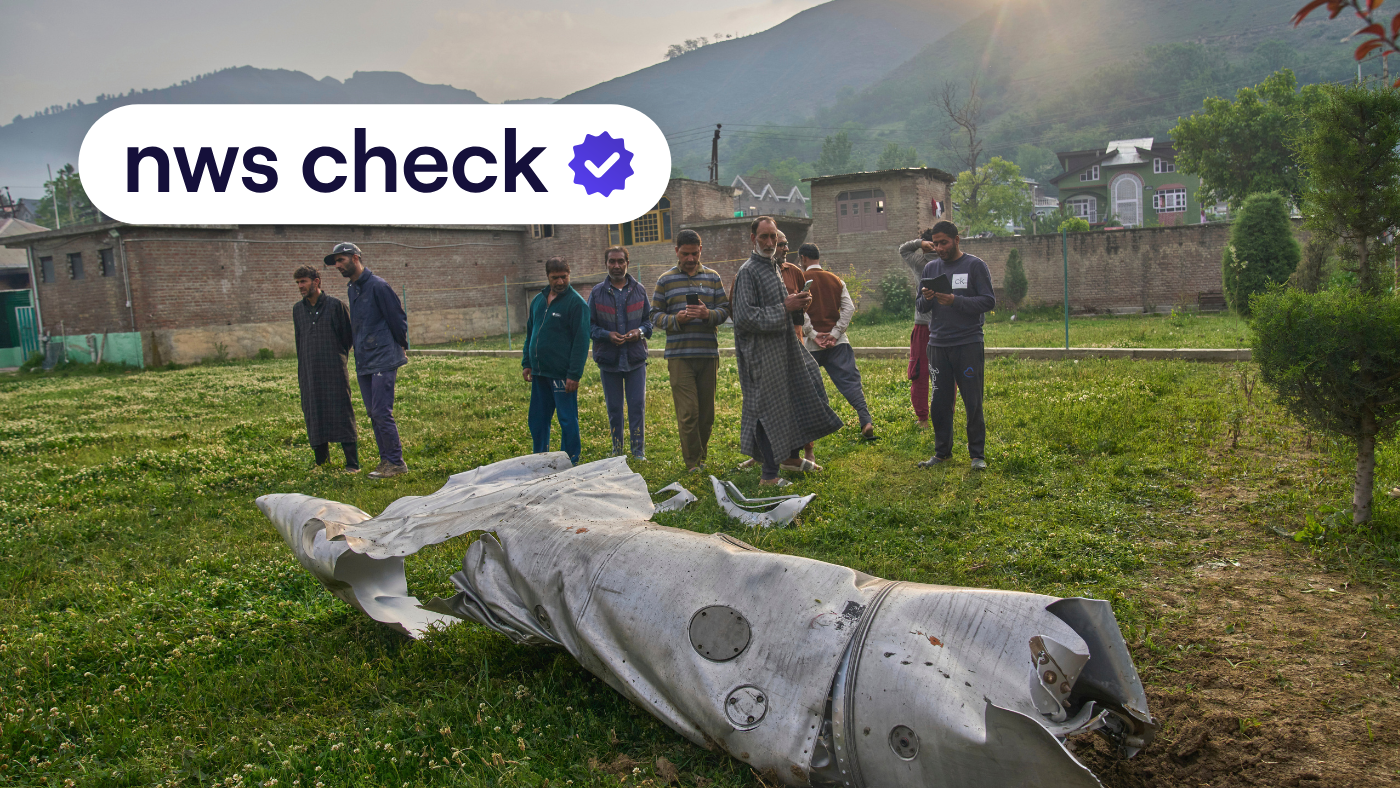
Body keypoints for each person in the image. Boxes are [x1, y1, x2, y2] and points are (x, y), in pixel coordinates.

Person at [731, 216, 843, 486]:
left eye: (773, 237)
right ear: (753, 239)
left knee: (805, 385)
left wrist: (798, 304)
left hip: (785, 347)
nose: (770, 242)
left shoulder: (773, 267)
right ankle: (769, 475)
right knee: (770, 409)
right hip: (761, 354)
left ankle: (791, 458)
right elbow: (744, 318)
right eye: (764, 237)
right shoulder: (748, 272)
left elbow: (783, 307)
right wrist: (785, 307)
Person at [914, 221, 995, 469]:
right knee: (940, 401)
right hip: (938, 345)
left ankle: (977, 455)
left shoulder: (974, 266)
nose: (939, 248)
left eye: (944, 243)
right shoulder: (931, 269)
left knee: (973, 401)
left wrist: (955, 301)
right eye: (935, 244)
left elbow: (988, 301)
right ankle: (942, 453)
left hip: (968, 343)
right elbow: (920, 306)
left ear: (957, 240)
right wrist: (927, 298)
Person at [326, 242, 409, 479]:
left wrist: (401, 346)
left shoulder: (378, 286)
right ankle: (386, 460)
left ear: (355, 258)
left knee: (382, 411)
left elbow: (397, 319)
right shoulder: (353, 289)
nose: (337, 265)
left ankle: (396, 462)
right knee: (373, 412)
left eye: (341, 260)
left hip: (383, 357)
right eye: (335, 262)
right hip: (364, 359)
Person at [651, 229, 731, 472]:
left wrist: (707, 314)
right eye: (685, 254)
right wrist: (676, 319)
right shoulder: (665, 280)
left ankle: (700, 458)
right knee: (688, 413)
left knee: (706, 415)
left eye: (694, 253)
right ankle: (693, 464)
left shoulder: (713, 278)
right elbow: (654, 315)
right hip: (680, 356)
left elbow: (725, 310)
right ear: (677, 251)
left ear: (700, 250)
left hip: (708, 355)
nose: (690, 258)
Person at [798, 243, 876, 440]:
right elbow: (849, 308)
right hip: (837, 343)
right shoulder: (836, 280)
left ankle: (814, 428)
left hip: (810, 344)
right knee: (850, 382)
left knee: (808, 387)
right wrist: (835, 333)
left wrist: (813, 333)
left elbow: (800, 310)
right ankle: (866, 421)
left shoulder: (801, 280)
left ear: (803, 258)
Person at [523, 257, 590, 465]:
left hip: (562, 375)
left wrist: (574, 374)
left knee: (567, 419)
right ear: (547, 277)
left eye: (564, 277)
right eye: (555, 278)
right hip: (539, 372)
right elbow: (530, 332)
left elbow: (581, 342)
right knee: (537, 419)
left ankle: (569, 460)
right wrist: (527, 362)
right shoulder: (538, 300)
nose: (560, 282)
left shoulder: (576, 304)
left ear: (569, 275)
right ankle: (540, 458)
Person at [292, 265, 359, 473]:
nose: (300, 286)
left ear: (316, 281)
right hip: (309, 372)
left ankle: (352, 463)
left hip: (334, 370)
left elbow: (347, 338)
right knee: (314, 411)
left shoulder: (336, 306)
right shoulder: (297, 310)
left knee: (341, 411)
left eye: (303, 281)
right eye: (298, 283)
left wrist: (334, 357)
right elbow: (299, 340)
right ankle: (322, 463)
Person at [588, 246, 652, 461]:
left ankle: (638, 452)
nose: (616, 265)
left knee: (637, 406)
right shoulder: (596, 293)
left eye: (620, 261)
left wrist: (639, 332)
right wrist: (607, 335)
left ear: (627, 263)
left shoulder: (639, 290)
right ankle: (617, 450)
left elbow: (648, 323)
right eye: (612, 261)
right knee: (614, 408)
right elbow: (589, 326)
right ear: (606, 264)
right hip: (609, 360)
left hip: (635, 359)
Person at [900, 228, 937, 428]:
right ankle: (945, 414)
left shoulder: (920, 262)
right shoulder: (950, 262)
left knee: (919, 372)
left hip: (923, 325)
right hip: (946, 325)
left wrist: (919, 243)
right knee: (946, 373)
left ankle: (923, 419)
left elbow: (903, 249)